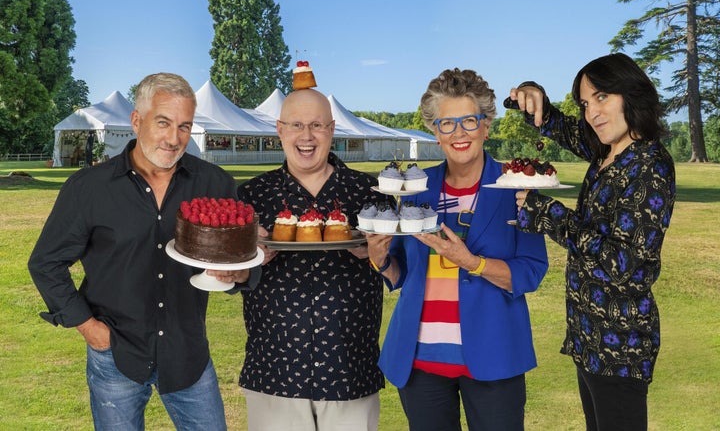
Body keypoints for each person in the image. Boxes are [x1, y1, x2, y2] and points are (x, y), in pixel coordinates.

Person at [28, 72, 254, 430]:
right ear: (137, 120)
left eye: (184, 126)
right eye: (163, 123)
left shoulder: (216, 183)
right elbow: (45, 263)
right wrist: (89, 328)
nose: (174, 138)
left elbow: (244, 255)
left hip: (189, 355)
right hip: (115, 355)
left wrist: (241, 273)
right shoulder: (89, 188)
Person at [364, 68, 549, 431]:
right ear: (435, 131)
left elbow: (531, 271)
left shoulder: (518, 187)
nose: (459, 133)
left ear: (486, 126)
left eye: (468, 120)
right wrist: (380, 261)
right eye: (447, 124)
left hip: (494, 360)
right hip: (420, 365)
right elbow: (402, 272)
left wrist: (473, 263)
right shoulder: (415, 188)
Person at [509, 52, 676, 431]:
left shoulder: (648, 165)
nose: (592, 113)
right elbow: (563, 128)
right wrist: (534, 99)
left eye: (602, 97)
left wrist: (550, 217)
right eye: (586, 103)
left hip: (620, 345)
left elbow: (625, 265)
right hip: (589, 337)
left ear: (630, 93)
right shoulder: (609, 150)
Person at [236, 88, 390, 431]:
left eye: (317, 125)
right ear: (280, 130)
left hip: (350, 368)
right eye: (296, 125)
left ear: (332, 130)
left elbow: (397, 266)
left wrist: (376, 254)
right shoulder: (251, 195)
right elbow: (233, 277)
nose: (307, 136)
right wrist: (251, 261)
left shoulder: (370, 193)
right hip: (274, 370)